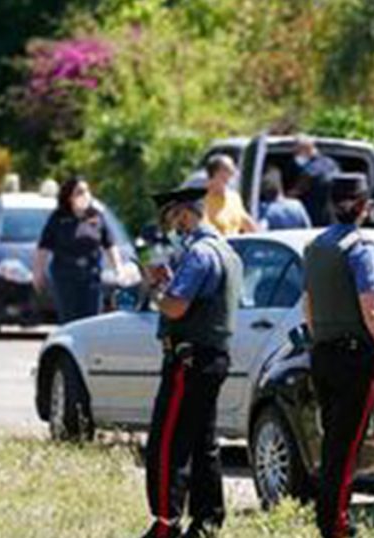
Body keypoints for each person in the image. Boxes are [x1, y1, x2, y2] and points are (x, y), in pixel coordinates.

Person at [302, 173, 374, 538]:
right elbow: (372, 310)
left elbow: (308, 306)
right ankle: (336, 525)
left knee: (334, 442)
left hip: (323, 355)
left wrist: (320, 341)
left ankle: (328, 519)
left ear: (332, 204)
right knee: (346, 449)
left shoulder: (314, 248)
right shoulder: (359, 249)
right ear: (365, 207)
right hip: (353, 359)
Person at [140, 185, 243, 538]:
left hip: (189, 360)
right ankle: (207, 522)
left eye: (173, 218)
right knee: (203, 443)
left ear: (185, 212)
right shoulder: (226, 250)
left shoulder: (198, 254)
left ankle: (165, 524)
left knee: (168, 442)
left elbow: (177, 307)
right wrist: (170, 284)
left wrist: (155, 291)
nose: (173, 227)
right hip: (213, 357)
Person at [34, 178, 130, 323]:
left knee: (91, 319)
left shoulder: (96, 216)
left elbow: (109, 244)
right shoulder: (58, 218)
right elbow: (43, 247)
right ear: (69, 197)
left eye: (86, 191)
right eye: (79, 192)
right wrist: (38, 272)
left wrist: (119, 269)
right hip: (65, 276)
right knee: (69, 319)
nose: (85, 195)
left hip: (91, 275)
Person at [289, 135, 340, 227]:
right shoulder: (332, 164)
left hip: (314, 218)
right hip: (333, 217)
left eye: (297, 151)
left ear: (306, 149)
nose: (295, 154)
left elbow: (296, 192)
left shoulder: (310, 171)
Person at [203, 155, 258, 236]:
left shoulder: (234, 197)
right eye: (227, 169)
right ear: (215, 173)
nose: (232, 173)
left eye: (233, 169)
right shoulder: (201, 200)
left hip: (236, 246)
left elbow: (246, 222)